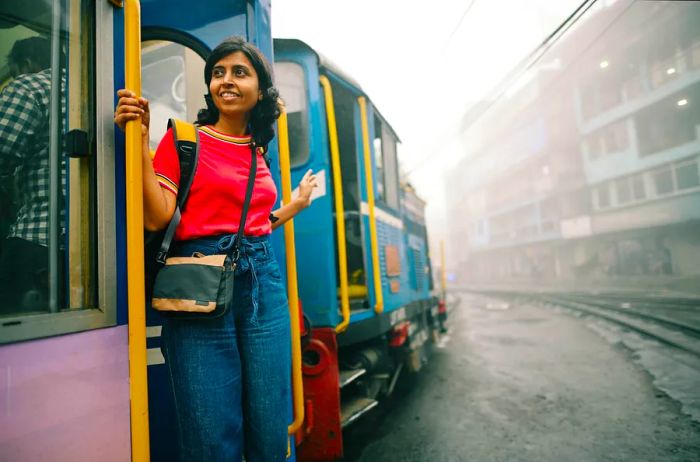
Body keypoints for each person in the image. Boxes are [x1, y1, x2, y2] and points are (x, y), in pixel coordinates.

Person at [114, 36, 318, 461]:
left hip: (264, 282)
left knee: (268, 422)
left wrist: (294, 206)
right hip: (200, 285)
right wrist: (141, 139)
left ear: (260, 91)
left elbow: (256, 224)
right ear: (209, 87)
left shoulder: (258, 151)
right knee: (211, 431)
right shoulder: (185, 140)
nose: (226, 80)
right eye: (218, 73)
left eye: (239, 73)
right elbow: (156, 217)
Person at [0, 36, 64, 314]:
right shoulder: (97, 91)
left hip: (36, 241)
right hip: (89, 254)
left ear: (27, 63)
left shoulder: (29, 87)